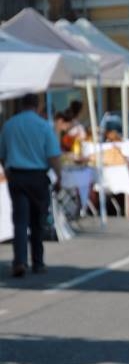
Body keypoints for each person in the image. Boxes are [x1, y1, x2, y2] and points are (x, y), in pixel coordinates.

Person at [0, 94, 62, 277]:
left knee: (20, 221)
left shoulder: (9, 125)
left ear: (21, 105)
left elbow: (2, 154)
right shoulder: (43, 126)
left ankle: (19, 261)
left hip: (17, 175)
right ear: (37, 105)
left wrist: (8, 170)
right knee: (37, 221)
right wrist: (59, 177)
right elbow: (53, 156)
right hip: (37, 176)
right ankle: (38, 261)